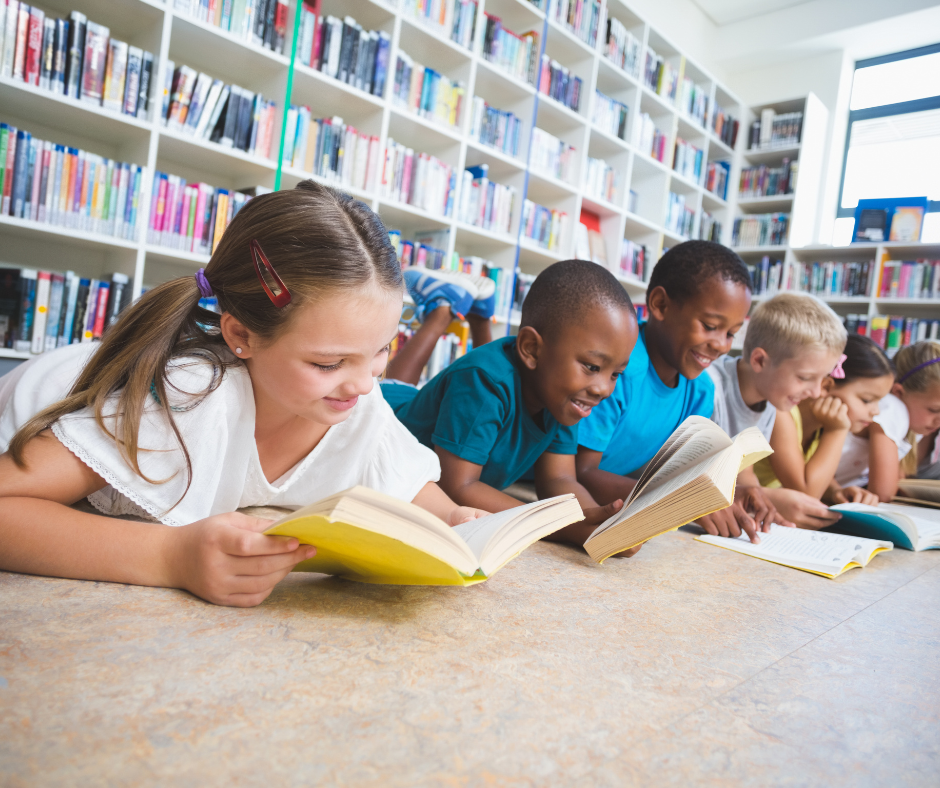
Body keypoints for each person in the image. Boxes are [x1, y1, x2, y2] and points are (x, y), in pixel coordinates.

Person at [0, 181, 486, 608]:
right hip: (49, 390)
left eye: (381, 350)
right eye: (327, 363)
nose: (363, 383)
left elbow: (400, 474)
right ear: (241, 336)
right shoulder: (186, 399)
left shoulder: (353, 395)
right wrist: (171, 557)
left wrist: (454, 517)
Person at [383, 259, 640, 553]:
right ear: (531, 349)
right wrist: (560, 525)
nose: (603, 389)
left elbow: (559, 478)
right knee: (396, 384)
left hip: (423, 402)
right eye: (592, 367)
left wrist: (599, 523)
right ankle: (443, 310)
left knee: (413, 389)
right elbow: (457, 487)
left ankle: (479, 314)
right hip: (388, 413)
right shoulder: (483, 380)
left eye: (616, 374)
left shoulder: (563, 397)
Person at [575, 240, 784, 544]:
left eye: (731, 333)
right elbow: (581, 471)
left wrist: (722, 493)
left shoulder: (700, 391)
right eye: (710, 325)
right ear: (660, 305)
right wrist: (682, 502)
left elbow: (671, 476)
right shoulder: (618, 369)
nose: (721, 345)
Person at [708, 293, 847, 529]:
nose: (816, 393)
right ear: (759, 361)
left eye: (822, 378)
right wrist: (772, 497)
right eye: (805, 378)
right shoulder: (709, 389)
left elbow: (743, 476)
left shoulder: (769, 399)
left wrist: (763, 505)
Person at [756, 334, 895, 506]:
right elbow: (806, 492)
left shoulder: (820, 424)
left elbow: (806, 468)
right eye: (866, 400)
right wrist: (836, 431)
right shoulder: (781, 413)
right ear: (826, 386)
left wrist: (836, 492)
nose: (876, 411)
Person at [887, 340, 940, 481]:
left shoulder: (918, 428)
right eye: (934, 409)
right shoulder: (884, 423)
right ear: (898, 393)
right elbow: (884, 490)